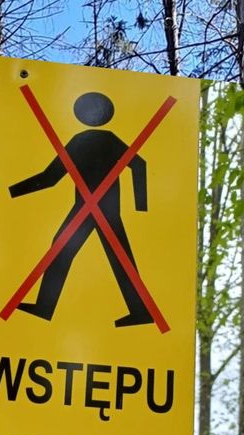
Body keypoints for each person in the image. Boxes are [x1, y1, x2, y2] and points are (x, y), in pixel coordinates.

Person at [9, 91, 152, 327]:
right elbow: (51, 177)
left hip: (97, 208)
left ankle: (45, 307)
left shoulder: (93, 140)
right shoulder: (86, 140)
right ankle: (45, 307)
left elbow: (138, 163)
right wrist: (13, 192)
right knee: (110, 255)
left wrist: (141, 206)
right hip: (91, 207)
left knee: (82, 251)